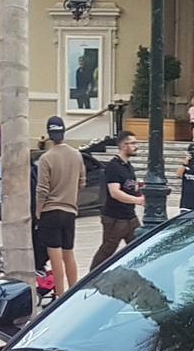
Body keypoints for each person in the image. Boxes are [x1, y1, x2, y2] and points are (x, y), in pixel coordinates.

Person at [34, 115, 84, 298]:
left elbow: (42, 188)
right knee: (68, 253)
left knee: (55, 257)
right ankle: (74, 291)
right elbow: (82, 182)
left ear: (48, 134)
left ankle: (60, 295)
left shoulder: (46, 158)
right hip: (69, 210)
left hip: (51, 210)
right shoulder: (76, 155)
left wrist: (39, 210)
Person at [93, 131, 141, 270]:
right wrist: (137, 200)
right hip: (115, 218)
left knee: (139, 247)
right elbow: (114, 192)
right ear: (123, 146)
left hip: (130, 216)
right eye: (133, 143)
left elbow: (129, 187)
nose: (136, 146)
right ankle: (92, 276)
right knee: (107, 250)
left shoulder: (128, 167)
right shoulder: (114, 167)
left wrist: (139, 193)